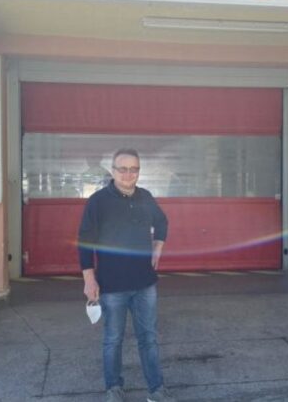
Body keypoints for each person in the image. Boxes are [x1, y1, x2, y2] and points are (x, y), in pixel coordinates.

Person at [78, 148, 176, 402]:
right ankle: (114, 389)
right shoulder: (98, 201)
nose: (128, 174)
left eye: (134, 169)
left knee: (149, 339)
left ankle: (156, 391)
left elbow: (162, 222)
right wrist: (89, 279)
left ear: (138, 172)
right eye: (123, 168)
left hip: (145, 283)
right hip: (112, 285)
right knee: (113, 340)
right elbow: (85, 241)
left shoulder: (145, 197)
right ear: (113, 171)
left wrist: (158, 246)